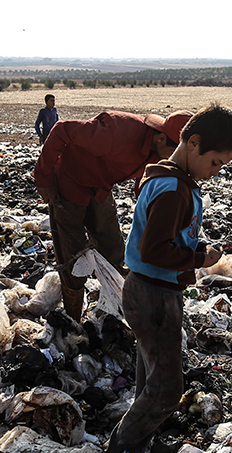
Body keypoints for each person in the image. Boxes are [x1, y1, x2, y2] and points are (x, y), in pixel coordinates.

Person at [104, 105, 232, 453]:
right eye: (215, 163)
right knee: (167, 390)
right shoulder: (173, 189)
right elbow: (154, 249)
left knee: (149, 380)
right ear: (193, 143)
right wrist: (198, 258)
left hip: (152, 289)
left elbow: (169, 239)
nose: (215, 172)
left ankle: (135, 452)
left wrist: (198, 248)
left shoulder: (172, 180)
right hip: (154, 294)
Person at [33, 109, 193, 319]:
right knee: (72, 256)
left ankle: (115, 310)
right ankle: (73, 320)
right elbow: (62, 130)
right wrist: (43, 177)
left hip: (101, 188)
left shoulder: (158, 151)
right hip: (70, 181)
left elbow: (144, 182)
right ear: (162, 139)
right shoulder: (117, 131)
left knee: (114, 249)